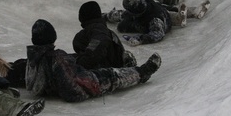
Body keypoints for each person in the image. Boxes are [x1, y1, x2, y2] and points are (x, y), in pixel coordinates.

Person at [25, 19, 161, 103]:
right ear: (52, 37)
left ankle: (125, 66)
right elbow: (76, 81)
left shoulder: (34, 57)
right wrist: (93, 78)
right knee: (109, 75)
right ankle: (142, 72)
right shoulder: (57, 58)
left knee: (74, 58)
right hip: (76, 90)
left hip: (55, 87)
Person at [72, 0, 137, 69]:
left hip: (105, 70)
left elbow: (100, 42)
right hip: (107, 64)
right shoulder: (99, 29)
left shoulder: (97, 28)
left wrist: (82, 63)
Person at [106, 0, 173, 46]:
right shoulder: (143, 1)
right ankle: (106, 16)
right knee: (121, 24)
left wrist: (140, 39)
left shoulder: (155, 19)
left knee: (122, 27)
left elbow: (158, 34)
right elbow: (126, 13)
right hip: (139, 16)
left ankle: (175, 16)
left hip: (147, 24)